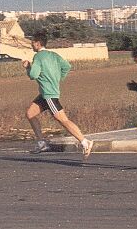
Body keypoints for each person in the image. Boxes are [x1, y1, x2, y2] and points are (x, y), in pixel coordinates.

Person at [23, 31, 93, 159]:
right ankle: (41, 143)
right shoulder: (53, 55)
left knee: (63, 120)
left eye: (32, 42)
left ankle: (84, 141)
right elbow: (66, 66)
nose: (31, 45)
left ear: (38, 44)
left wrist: (28, 67)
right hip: (45, 94)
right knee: (30, 114)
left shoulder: (38, 57)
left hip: (49, 94)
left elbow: (33, 75)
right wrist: (57, 78)